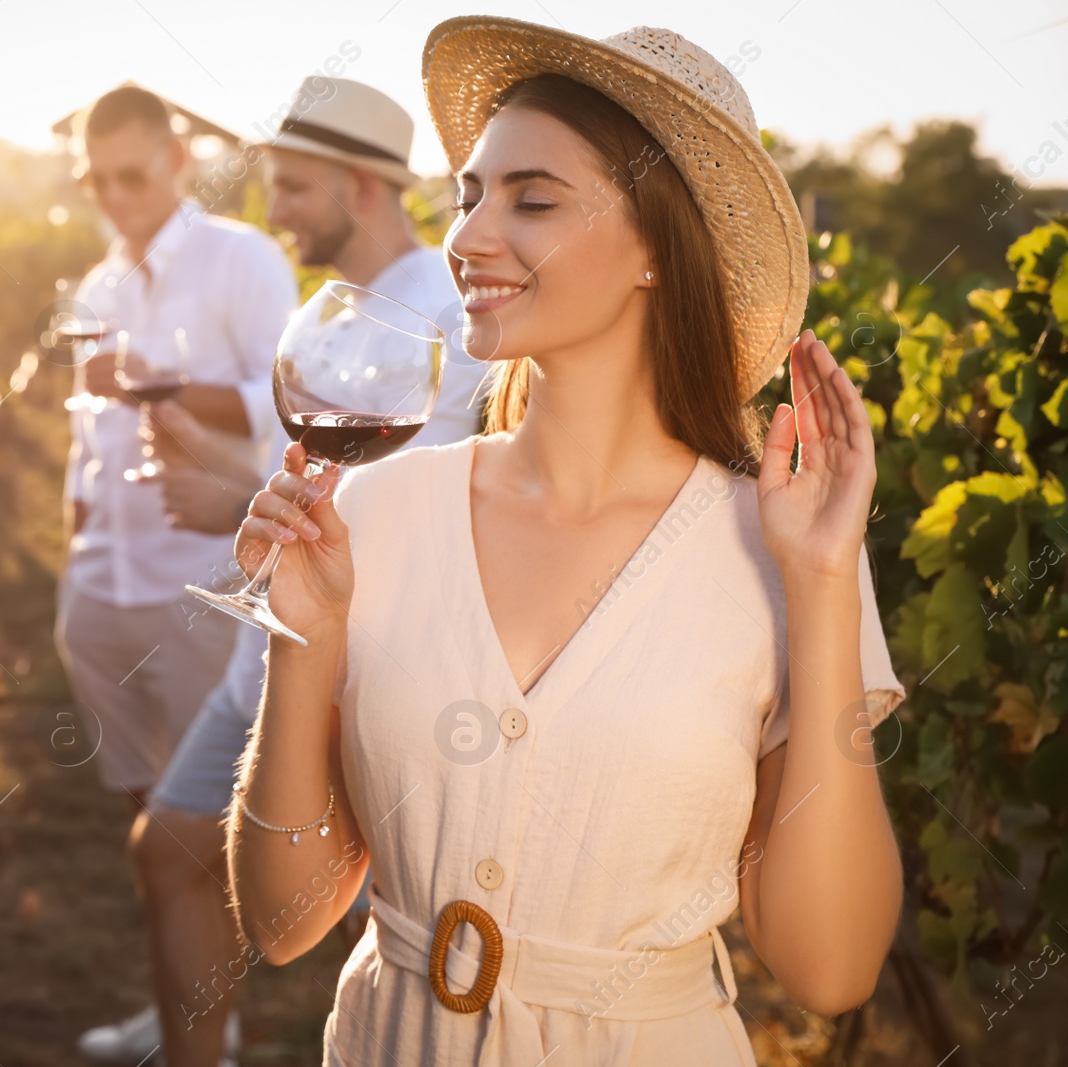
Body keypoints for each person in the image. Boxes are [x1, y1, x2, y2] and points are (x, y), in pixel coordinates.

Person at [228, 21, 908, 1066]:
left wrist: (820, 586)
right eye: (468, 196)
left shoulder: (786, 551)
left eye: (530, 199)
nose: (466, 237)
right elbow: (284, 923)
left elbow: (829, 968)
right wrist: (299, 636)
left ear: (655, 247)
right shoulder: (379, 509)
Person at [95, 78, 489, 1067]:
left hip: (363, 658)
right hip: (272, 640)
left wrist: (228, 497)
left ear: (361, 187)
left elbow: (398, 498)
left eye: (293, 187)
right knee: (172, 847)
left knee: (309, 894)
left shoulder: (444, 308)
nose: (274, 210)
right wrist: (224, 472)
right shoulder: (333, 304)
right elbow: (313, 468)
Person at [60, 85, 298, 1062]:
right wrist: (72, 529)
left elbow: (280, 397)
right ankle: (174, 1015)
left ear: (175, 160)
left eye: (131, 172)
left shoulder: (242, 258)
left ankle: (214, 1028)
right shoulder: (96, 284)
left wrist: (152, 380)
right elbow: (85, 436)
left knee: (201, 826)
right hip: (101, 580)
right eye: (94, 178)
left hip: (201, 580)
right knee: (144, 817)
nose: (113, 195)